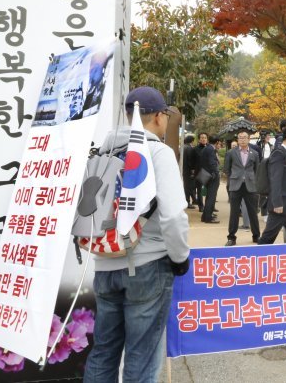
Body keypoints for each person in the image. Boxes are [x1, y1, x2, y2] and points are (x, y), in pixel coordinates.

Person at [84, 86, 190, 382]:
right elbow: (171, 215)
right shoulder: (157, 152)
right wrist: (180, 258)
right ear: (158, 116)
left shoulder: (103, 151)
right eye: (166, 115)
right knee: (141, 359)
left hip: (105, 265)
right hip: (147, 266)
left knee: (103, 352)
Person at [258, 125, 286, 244]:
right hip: (280, 206)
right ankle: (256, 259)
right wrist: (277, 203)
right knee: (267, 239)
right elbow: (275, 179)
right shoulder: (279, 153)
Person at [224, 129, 261, 246]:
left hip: (250, 186)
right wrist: (235, 177)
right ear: (237, 140)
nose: (242, 139)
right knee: (234, 212)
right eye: (240, 138)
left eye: (245, 137)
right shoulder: (231, 152)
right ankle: (231, 238)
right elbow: (226, 169)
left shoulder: (254, 153)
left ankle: (256, 236)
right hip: (236, 185)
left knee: (253, 212)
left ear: (249, 139)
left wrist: (252, 179)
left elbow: (257, 169)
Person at [200, 135, 221, 224]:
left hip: (205, 174)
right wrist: (216, 173)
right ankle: (208, 217)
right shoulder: (211, 149)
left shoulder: (206, 148)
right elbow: (212, 163)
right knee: (211, 197)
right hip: (211, 176)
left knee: (209, 196)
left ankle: (205, 216)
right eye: (219, 143)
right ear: (216, 142)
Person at [182, 134, 197, 209]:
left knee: (186, 186)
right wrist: (192, 170)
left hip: (183, 170)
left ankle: (192, 200)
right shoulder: (189, 148)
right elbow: (191, 161)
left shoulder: (182, 147)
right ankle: (187, 202)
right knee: (189, 187)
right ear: (192, 141)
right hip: (188, 170)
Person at [194, 132, 209, 211]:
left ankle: (209, 206)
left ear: (207, 139)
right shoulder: (195, 149)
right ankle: (201, 206)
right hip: (199, 172)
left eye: (205, 137)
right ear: (199, 139)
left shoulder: (210, 148)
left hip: (209, 173)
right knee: (199, 190)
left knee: (210, 191)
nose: (203, 139)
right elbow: (192, 161)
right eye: (202, 137)